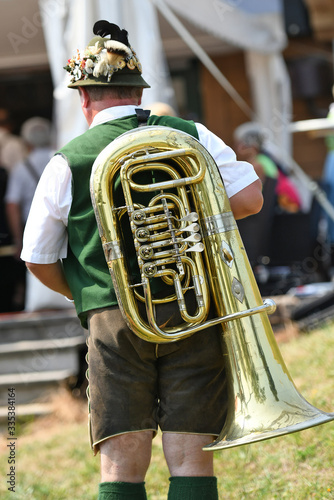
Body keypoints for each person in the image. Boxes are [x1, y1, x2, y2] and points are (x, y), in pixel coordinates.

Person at [21, 20, 263, 500]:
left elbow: (37, 257)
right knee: (193, 456)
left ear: (84, 98)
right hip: (194, 304)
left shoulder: (66, 160)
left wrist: (89, 293)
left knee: (122, 458)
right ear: (139, 90)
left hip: (114, 320)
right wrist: (187, 207)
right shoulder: (190, 133)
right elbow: (251, 198)